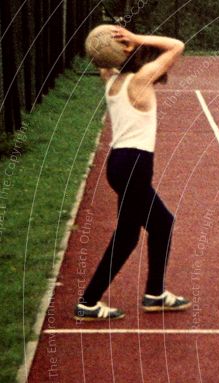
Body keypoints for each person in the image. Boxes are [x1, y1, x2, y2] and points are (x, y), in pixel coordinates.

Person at [76, 25, 190, 320]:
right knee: (129, 236)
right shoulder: (139, 81)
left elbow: (104, 61)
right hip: (135, 165)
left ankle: (155, 293)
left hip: (119, 164)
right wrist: (137, 38)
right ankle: (89, 302)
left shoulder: (112, 80)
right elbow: (176, 44)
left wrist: (106, 47)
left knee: (159, 224)